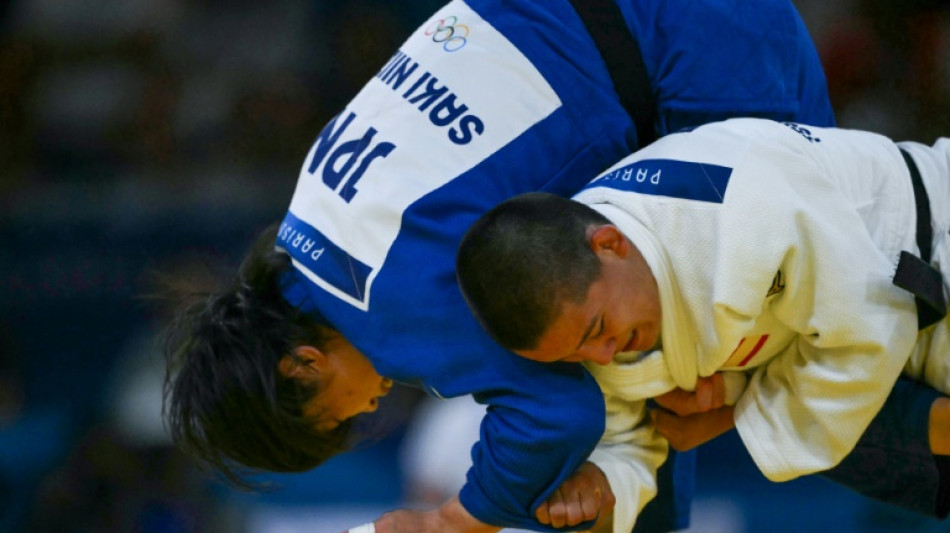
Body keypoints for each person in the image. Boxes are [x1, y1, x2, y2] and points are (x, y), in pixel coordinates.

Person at [161, 0, 937, 531]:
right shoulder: (310, 216)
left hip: (690, 51)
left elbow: (559, 414)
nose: (373, 407)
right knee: (675, 360)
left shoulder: (382, 306)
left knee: (796, 349)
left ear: (301, 363)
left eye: (343, 414)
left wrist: (462, 517)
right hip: (655, 31)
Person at [455, 117, 950, 530]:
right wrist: (601, 483)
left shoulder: (736, 213)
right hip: (863, 340)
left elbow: (868, 325)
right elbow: (631, 435)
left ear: (610, 244)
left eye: (596, 332)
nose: (604, 356)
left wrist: (734, 409)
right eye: (575, 356)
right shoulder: (585, 310)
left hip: (923, 247)